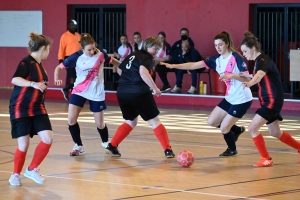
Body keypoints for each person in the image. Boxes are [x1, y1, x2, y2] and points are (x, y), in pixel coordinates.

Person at [161, 31, 252, 156]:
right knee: (212, 122)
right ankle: (236, 130)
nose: (218, 47)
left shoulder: (236, 58)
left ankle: (232, 149)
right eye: (216, 45)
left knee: (225, 127)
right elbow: (194, 65)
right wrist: (174, 66)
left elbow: (247, 78)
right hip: (230, 97)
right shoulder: (216, 60)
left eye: (220, 44)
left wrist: (232, 75)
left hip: (242, 98)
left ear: (227, 44)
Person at [106, 36, 175, 158]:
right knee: (154, 121)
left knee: (131, 121)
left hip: (122, 92)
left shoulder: (132, 55)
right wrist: (155, 88)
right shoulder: (147, 57)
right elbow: (143, 72)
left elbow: (120, 71)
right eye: (155, 48)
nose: (156, 51)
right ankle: (167, 150)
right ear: (148, 46)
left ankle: (113, 145)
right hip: (138, 92)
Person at [54, 33, 121, 156]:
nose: (92, 51)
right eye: (89, 50)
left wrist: (122, 65)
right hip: (79, 90)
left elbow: (112, 61)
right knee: (71, 120)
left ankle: (106, 143)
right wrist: (56, 77)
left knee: (100, 124)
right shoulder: (76, 57)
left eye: (93, 48)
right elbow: (59, 68)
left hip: (96, 92)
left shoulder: (101, 55)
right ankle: (78, 145)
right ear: (82, 49)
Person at [240, 31, 300, 167]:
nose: (244, 54)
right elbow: (256, 76)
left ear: (253, 48)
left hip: (272, 101)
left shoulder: (263, 60)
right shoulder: (258, 62)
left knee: (252, 128)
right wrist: (235, 76)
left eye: (245, 51)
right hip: (269, 101)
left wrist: (250, 83)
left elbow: (260, 75)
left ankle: (266, 158)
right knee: (275, 132)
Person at [8, 32, 53, 186]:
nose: (49, 52)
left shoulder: (40, 66)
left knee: (47, 139)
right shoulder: (26, 62)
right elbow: (15, 79)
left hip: (38, 108)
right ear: (44, 48)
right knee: (24, 145)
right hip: (21, 108)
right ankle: (15, 175)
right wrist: (33, 84)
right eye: (49, 49)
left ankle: (32, 169)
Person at [156, 27, 195, 92]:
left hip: (184, 64)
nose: (184, 35)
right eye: (182, 33)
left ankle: (178, 86)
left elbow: (189, 54)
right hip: (174, 62)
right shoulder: (177, 43)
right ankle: (166, 85)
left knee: (178, 67)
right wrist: (177, 56)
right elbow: (171, 52)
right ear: (180, 34)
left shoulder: (190, 43)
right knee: (159, 67)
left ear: (188, 34)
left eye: (185, 33)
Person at [58, 19, 82, 101]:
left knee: (78, 77)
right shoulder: (64, 36)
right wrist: (60, 59)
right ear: (68, 26)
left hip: (79, 58)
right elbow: (61, 48)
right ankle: (66, 89)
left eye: (75, 25)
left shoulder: (78, 35)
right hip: (69, 58)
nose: (73, 27)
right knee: (72, 77)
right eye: (72, 25)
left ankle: (69, 91)